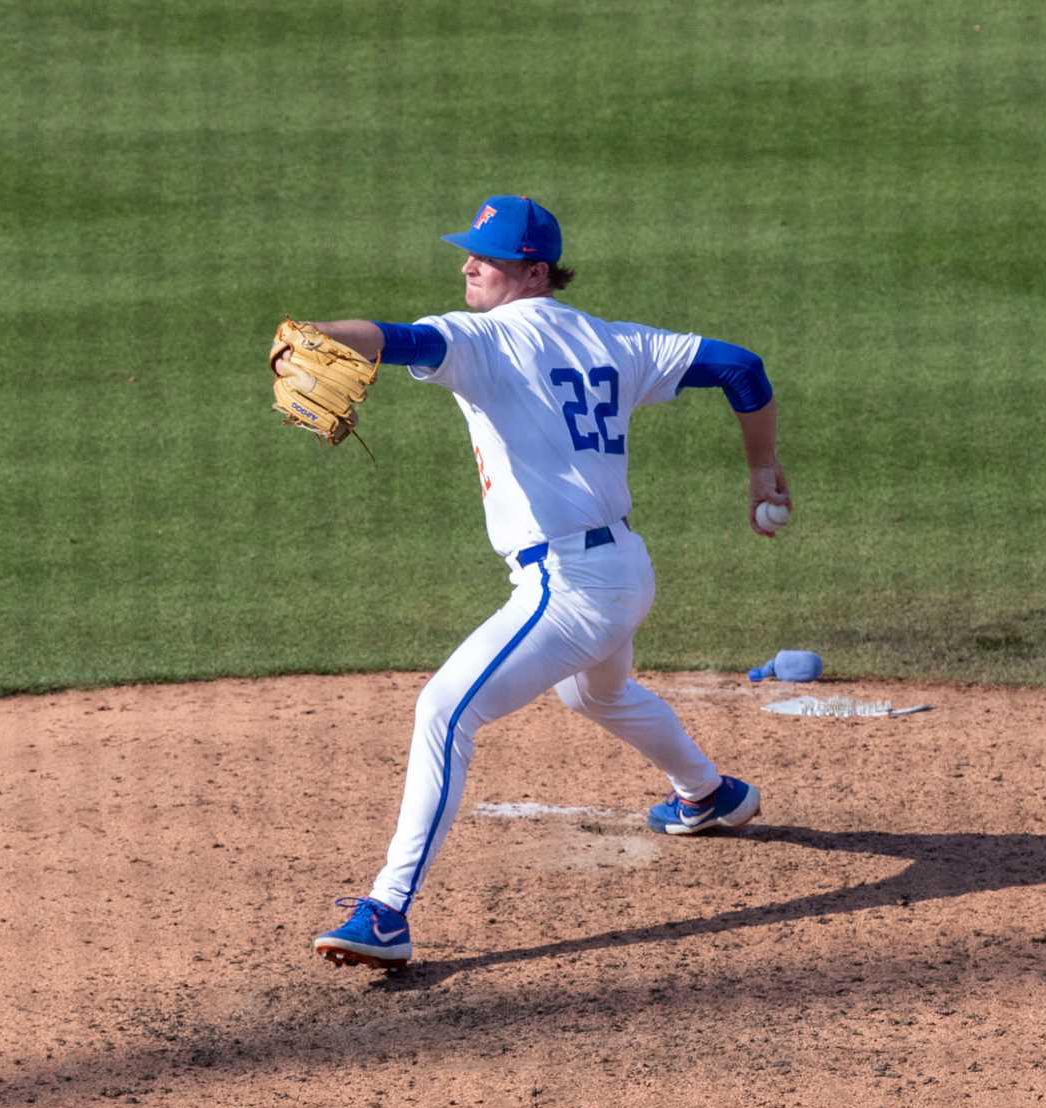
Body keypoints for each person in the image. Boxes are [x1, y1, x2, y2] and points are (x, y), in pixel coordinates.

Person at [289, 195, 791, 970]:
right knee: (594, 694)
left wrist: (317, 335)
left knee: (443, 712)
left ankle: (386, 911)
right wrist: (764, 470)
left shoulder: (482, 339)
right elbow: (741, 368)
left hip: (570, 585)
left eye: (482, 259)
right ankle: (711, 796)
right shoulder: (612, 339)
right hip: (623, 568)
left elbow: (397, 339)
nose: (466, 266)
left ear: (530, 272)